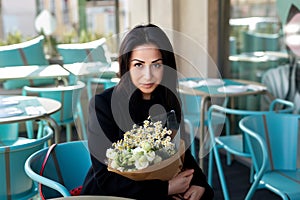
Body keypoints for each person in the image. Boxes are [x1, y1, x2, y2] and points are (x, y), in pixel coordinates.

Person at [81, 24, 214, 200]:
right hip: (110, 194)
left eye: (156, 65)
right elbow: (106, 179)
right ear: (126, 66)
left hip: (156, 187)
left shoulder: (169, 100)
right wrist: (165, 189)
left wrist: (200, 183)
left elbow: (180, 152)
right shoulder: (103, 105)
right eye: (139, 65)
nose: (148, 76)